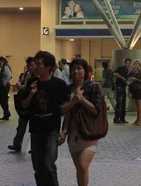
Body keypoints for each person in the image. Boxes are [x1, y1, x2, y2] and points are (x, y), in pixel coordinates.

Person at [22, 51, 69, 186]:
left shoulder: (59, 84)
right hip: (35, 130)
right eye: (34, 64)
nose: (35, 67)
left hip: (51, 130)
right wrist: (31, 94)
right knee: (38, 167)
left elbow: (66, 109)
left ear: (48, 67)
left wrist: (64, 131)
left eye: (39, 64)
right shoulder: (32, 82)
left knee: (49, 164)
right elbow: (24, 106)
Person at [60, 58, 103, 186]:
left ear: (85, 71)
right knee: (79, 168)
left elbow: (96, 110)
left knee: (83, 165)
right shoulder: (68, 89)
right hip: (73, 134)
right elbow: (66, 112)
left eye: (79, 68)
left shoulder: (92, 86)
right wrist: (64, 131)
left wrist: (81, 99)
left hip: (88, 132)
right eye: (73, 69)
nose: (76, 71)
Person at [9, 57, 36, 152]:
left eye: (32, 65)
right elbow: (24, 84)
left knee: (34, 127)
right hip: (25, 103)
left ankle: (34, 147)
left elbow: (30, 88)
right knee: (21, 125)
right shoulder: (25, 74)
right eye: (28, 65)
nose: (30, 67)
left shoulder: (38, 76)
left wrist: (24, 88)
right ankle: (17, 144)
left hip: (34, 104)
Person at [128, 59, 141, 126]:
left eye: (136, 64)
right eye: (134, 64)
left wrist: (136, 79)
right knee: (137, 105)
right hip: (135, 89)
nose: (135, 65)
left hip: (139, 89)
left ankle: (140, 120)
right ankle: (137, 119)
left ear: (139, 65)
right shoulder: (134, 72)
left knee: (139, 105)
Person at [113, 58, 131, 124]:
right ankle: (116, 118)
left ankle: (122, 118)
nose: (128, 64)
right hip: (119, 87)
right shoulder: (120, 68)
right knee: (119, 103)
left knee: (123, 103)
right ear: (124, 63)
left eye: (129, 63)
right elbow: (115, 74)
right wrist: (122, 78)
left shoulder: (128, 70)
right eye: (127, 63)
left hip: (124, 87)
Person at [0, 56, 13, 120]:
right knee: (3, 99)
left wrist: (4, 82)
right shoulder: (5, 66)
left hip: (4, 85)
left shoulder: (5, 66)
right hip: (4, 85)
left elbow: (9, 75)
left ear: (1, 61)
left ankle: (6, 113)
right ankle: (6, 113)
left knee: (3, 99)